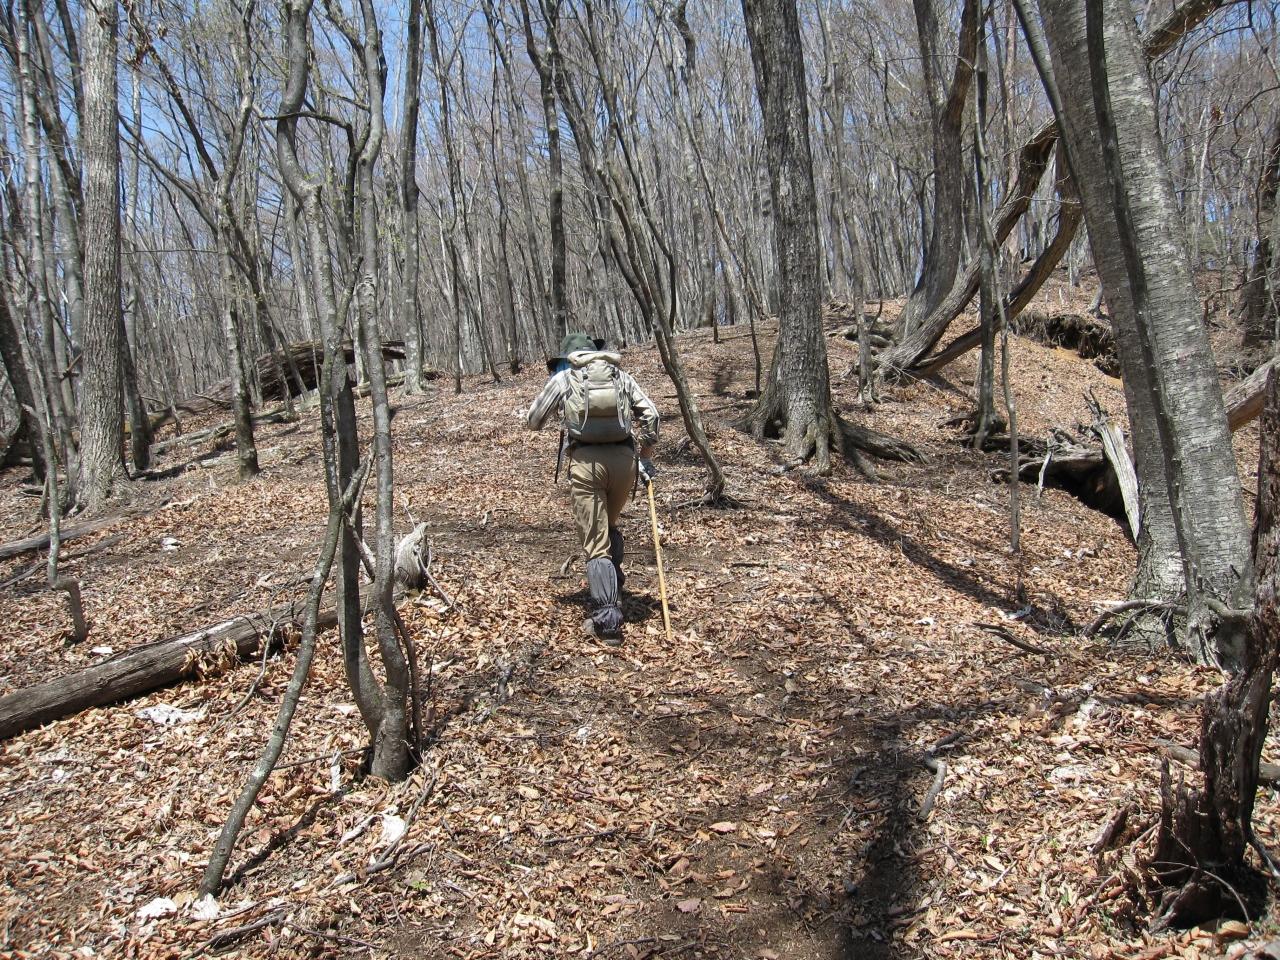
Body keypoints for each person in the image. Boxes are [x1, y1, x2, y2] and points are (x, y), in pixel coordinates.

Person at [527, 333, 660, 646]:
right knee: (608, 526)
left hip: (586, 462)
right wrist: (645, 457)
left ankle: (608, 622)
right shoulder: (621, 377)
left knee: (596, 542)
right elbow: (652, 416)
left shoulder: (564, 380)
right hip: (624, 462)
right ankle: (615, 587)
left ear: (570, 358)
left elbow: (533, 421)